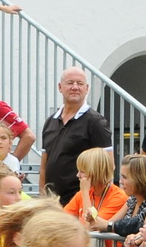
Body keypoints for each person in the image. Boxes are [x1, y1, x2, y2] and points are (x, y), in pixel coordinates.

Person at [39, 67, 114, 205]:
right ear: (60, 87)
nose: (75, 87)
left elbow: (108, 166)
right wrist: (43, 197)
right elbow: (44, 165)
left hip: (81, 203)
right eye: (70, 83)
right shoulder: (50, 122)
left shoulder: (96, 122)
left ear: (87, 88)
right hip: (52, 203)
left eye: (79, 83)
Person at [63, 147, 125, 247]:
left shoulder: (118, 196)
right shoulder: (83, 194)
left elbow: (90, 227)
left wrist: (84, 192)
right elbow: (61, 220)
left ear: (94, 173)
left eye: (82, 171)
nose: (78, 175)